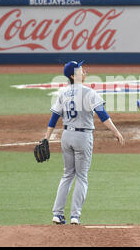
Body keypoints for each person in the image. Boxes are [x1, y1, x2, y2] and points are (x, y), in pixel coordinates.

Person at [42, 61, 124, 225]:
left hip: (66, 136)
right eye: (80, 70)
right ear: (73, 76)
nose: (84, 71)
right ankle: (75, 215)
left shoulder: (63, 93)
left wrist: (46, 138)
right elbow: (102, 116)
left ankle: (57, 214)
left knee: (67, 175)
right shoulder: (89, 92)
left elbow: (53, 118)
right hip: (82, 137)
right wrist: (116, 132)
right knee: (81, 177)